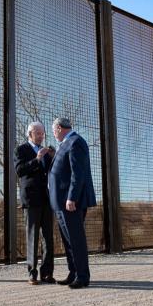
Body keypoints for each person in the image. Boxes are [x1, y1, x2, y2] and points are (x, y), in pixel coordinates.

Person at [48, 118, 96, 289]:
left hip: (70, 202)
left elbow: (78, 173)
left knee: (76, 239)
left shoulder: (76, 142)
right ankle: (73, 272)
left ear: (59, 128)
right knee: (68, 240)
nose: (54, 134)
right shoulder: (66, 144)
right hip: (60, 202)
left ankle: (83, 277)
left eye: (54, 131)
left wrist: (72, 197)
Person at [14, 122, 56, 285]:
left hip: (47, 199)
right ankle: (32, 273)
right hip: (31, 199)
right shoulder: (21, 150)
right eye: (37, 132)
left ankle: (47, 273)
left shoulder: (46, 151)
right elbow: (20, 170)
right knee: (32, 236)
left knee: (48, 238)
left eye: (42, 132)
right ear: (30, 134)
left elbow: (51, 172)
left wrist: (53, 157)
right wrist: (37, 159)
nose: (41, 135)